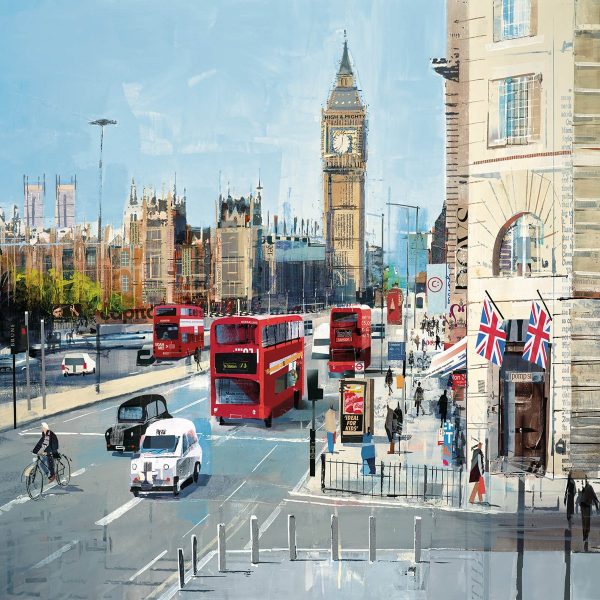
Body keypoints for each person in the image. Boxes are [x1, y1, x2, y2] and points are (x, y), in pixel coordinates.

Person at [580, 477, 600, 551]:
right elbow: (594, 497)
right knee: (586, 522)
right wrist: (597, 506)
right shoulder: (587, 488)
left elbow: (594, 497)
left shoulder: (588, 488)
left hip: (585, 506)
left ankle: (585, 536)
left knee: (585, 522)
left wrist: (597, 506)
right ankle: (585, 536)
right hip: (585, 507)